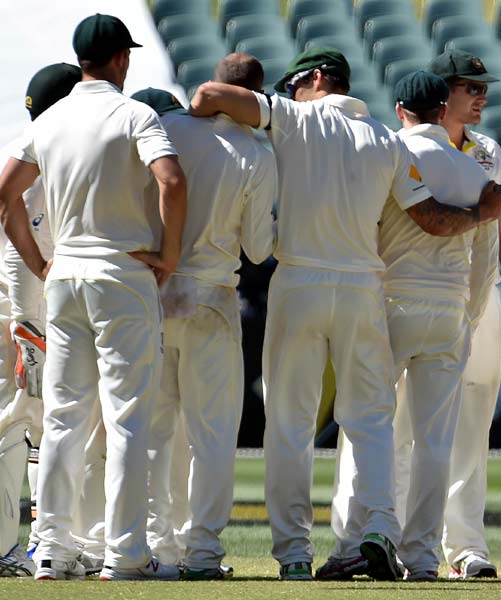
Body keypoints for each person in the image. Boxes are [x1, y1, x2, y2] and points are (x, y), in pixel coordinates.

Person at [189, 47, 501, 581]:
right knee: (372, 423)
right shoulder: (385, 138)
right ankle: (380, 528)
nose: (290, 94)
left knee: (290, 422)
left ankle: (293, 554)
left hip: (303, 279)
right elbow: (427, 215)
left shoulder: (291, 115)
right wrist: (480, 212)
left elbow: (209, 95)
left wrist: (201, 122)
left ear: (315, 78)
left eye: (296, 85)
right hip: (363, 285)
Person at [0, 14, 186, 581]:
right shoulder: (136, 113)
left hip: (65, 278)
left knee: (61, 418)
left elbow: (6, 193)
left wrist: (40, 263)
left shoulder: (50, 118)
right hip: (121, 273)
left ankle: (51, 549)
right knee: (126, 417)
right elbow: (171, 180)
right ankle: (124, 551)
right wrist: (170, 256)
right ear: (122, 59)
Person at [322, 71, 496, 581]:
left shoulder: (388, 156)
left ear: (401, 109)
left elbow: (362, 232)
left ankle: (355, 542)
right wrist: (468, 313)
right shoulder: (472, 172)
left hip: (391, 305)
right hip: (448, 311)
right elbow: (484, 264)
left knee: (366, 425)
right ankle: (421, 557)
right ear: (444, 111)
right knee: (435, 441)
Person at [133, 52, 278, 581]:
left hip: (155, 287)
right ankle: (201, 553)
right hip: (213, 294)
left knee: (154, 427)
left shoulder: (164, 126)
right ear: (252, 98)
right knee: (212, 433)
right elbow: (260, 250)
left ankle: (155, 546)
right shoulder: (256, 153)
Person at [428, 49, 501, 580]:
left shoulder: (488, 149)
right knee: (408, 421)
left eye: (482, 88)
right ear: (441, 90)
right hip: (422, 296)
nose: (481, 96)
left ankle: (466, 547)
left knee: (473, 422)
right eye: (470, 87)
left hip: (480, 299)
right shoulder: (408, 144)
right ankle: (405, 541)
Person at [0, 62, 110, 579]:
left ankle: (49, 542)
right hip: (25, 319)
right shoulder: (43, 152)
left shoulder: (34, 143)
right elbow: (17, 253)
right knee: (24, 424)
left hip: (39, 314)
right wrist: (28, 330)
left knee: (42, 428)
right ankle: (17, 548)